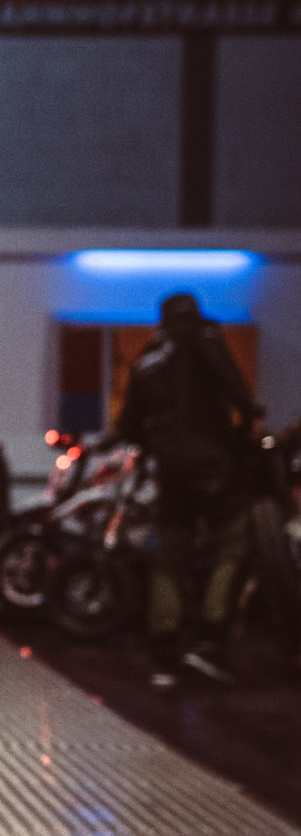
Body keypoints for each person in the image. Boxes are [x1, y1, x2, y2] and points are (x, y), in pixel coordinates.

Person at [117, 290, 255, 688]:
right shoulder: (206, 338)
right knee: (233, 542)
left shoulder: (147, 358)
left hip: (172, 471)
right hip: (212, 463)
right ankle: (210, 640)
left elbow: (128, 426)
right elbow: (234, 386)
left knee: (170, 557)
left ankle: (165, 654)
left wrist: (160, 447)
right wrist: (246, 424)